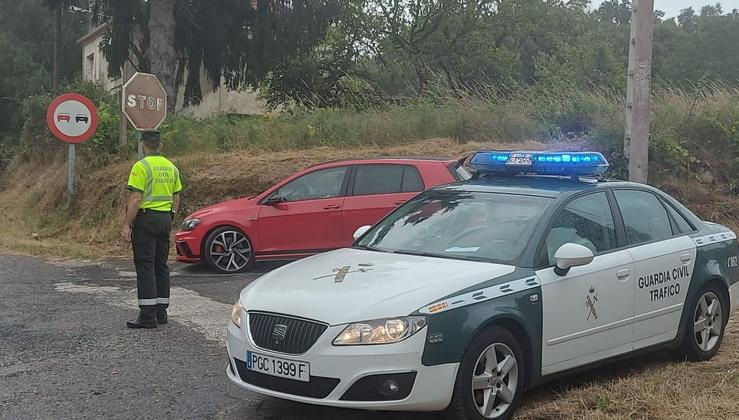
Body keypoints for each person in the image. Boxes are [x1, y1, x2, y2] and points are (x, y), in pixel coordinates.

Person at [121, 130, 182, 328]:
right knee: (161, 265)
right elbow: (177, 196)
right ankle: (161, 312)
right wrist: (171, 214)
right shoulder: (171, 167)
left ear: (143, 145)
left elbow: (136, 198)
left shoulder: (141, 166)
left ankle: (147, 316)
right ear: (160, 145)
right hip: (165, 218)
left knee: (145, 265)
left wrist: (127, 225)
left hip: (146, 219)